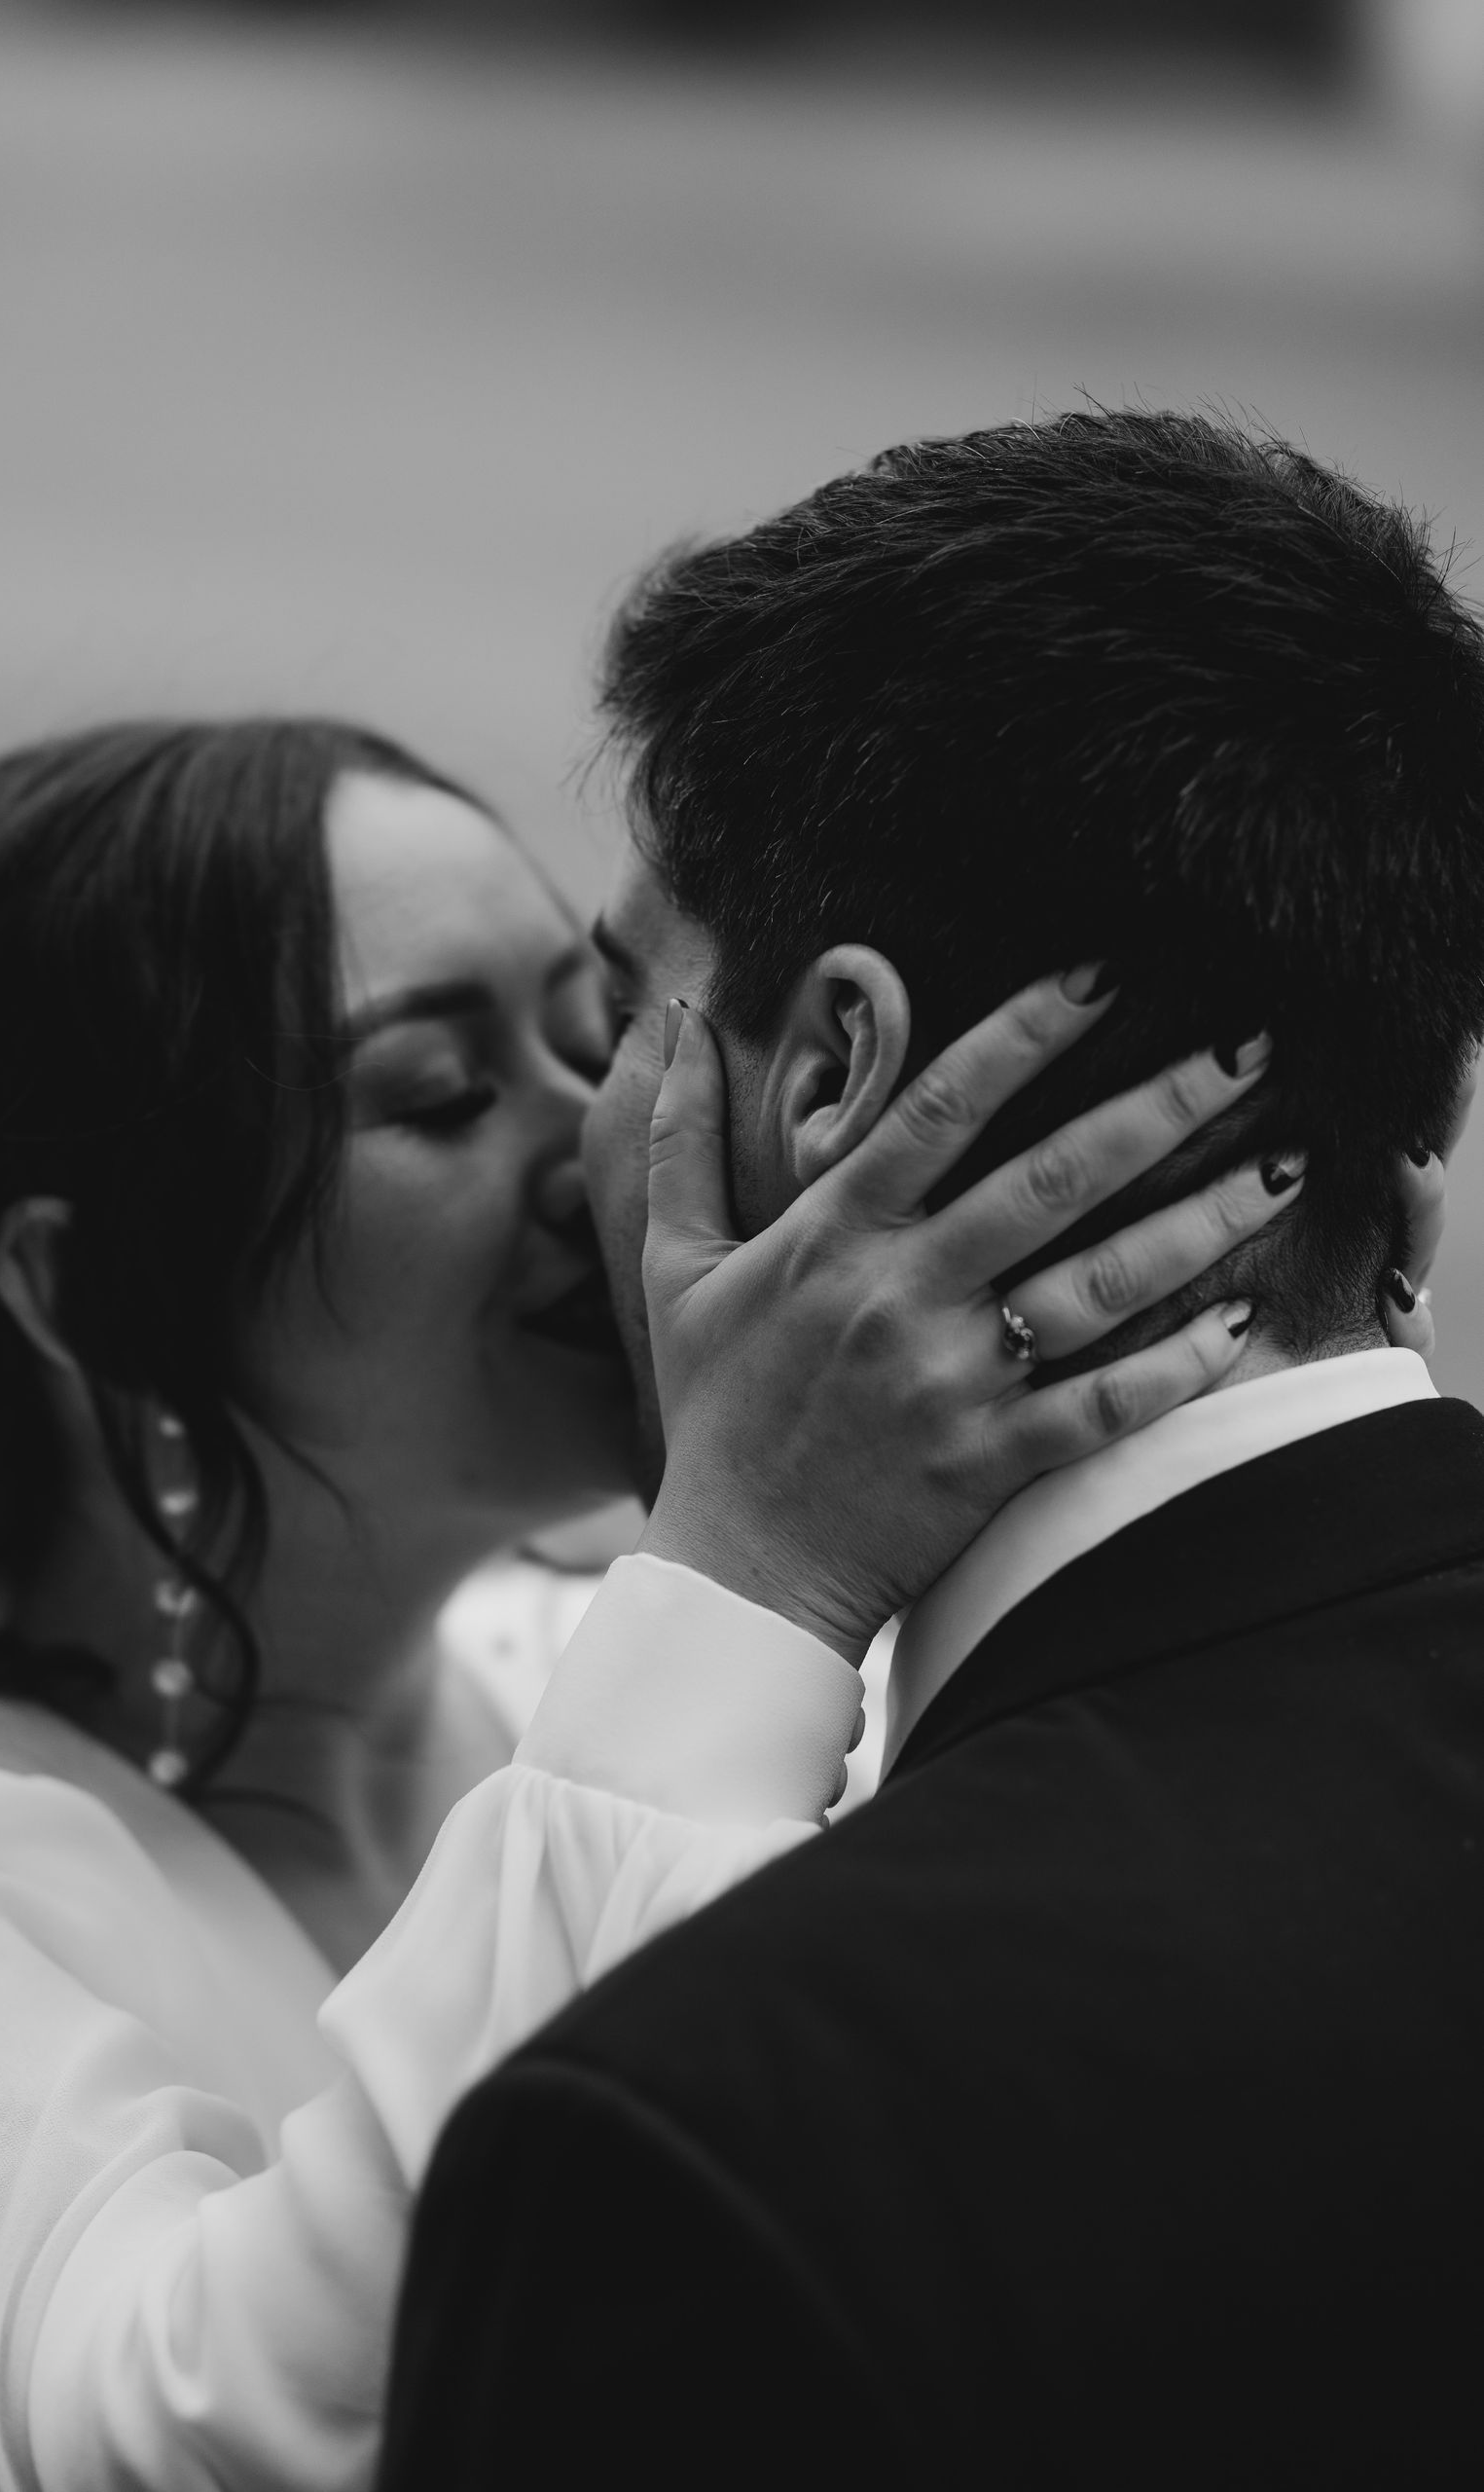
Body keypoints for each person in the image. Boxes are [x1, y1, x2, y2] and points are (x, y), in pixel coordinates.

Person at [0, 715, 1305, 2488]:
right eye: (440, 1092)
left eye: (599, 1031)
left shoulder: (621, 1676)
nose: (611, 1138)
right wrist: (754, 1560)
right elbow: (161, 2447)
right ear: (75, 1292)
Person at [378, 410, 1484, 2489]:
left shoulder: (703, 2131)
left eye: (618, 1019)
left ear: (830, 1073)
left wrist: (737, 1576)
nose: (566, 1137)